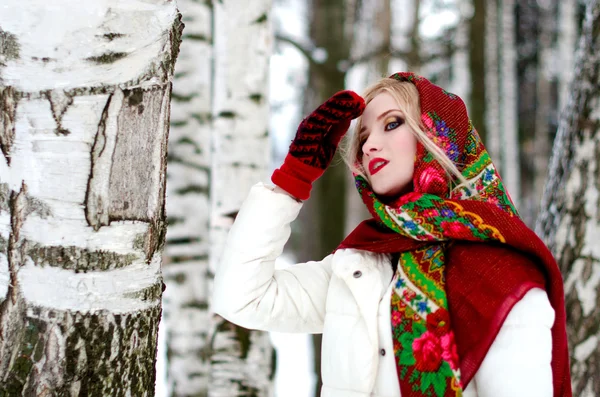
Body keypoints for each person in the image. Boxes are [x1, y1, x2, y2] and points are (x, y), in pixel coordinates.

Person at [212, 72, 572, 397]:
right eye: (363, 136)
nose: (368, 146)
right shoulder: (359, 265)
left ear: (437, 136)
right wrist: (293, 178)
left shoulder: (505, 277)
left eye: (392, 123)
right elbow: (242, 299)